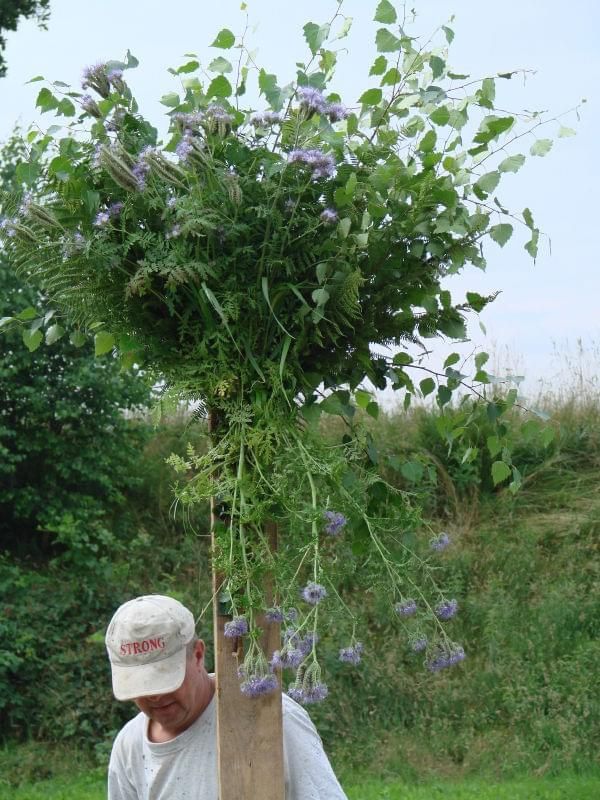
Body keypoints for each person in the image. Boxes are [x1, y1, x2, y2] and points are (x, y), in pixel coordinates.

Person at [105, 594, 348, 799]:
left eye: (164, 679)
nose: (155, 696)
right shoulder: (129, 746)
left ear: (198, 655)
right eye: (142, 685)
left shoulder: (273, 718)